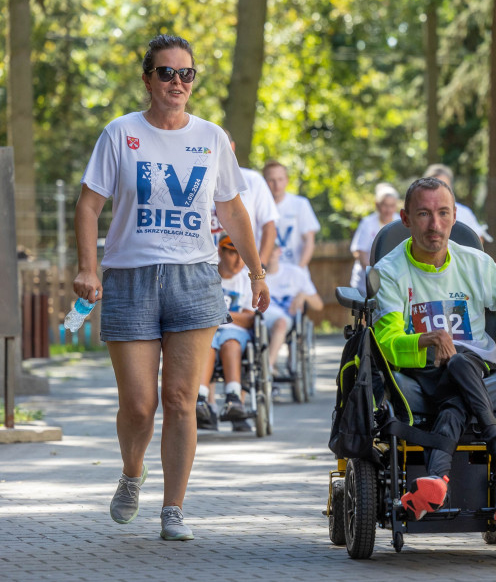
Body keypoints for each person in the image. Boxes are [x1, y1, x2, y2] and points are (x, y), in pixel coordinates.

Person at [72, 34, 269, 541]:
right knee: (139, 404)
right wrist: (88, 268)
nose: (177, 82)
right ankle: (131, 474)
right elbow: (89, 205)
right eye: (167, 73)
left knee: (181, 397)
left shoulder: (211, 137)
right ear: (147, 79)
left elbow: (231, 209)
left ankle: (173, 509)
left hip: (194, 279)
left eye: (186, 74)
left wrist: (256, 270)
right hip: (131, 277)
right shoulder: (120, 133)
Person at [373, 177, 496, 521]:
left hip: (474, 366)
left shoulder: (475, 263)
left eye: (443, 214)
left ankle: (437, 476)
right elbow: (386, 344)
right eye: (425, 214)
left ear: (455, 215)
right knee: (455, 392)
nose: (436, 225)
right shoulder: (388, 272)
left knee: (459, 366)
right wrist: (426, 340)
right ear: (405, 219)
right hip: (419, 371)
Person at [196, 236, 258, 432]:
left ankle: (233, 398)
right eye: (232, 253)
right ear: (221, 253)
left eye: (241, 254)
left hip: (236, 333)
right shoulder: (208, 276)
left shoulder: (247, 280)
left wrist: (219, 312)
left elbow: (250, 319)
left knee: (231, 343)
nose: (238, 260)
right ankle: (201, 398)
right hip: (209, 330)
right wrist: (233, 315)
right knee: (207, 346)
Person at [213, 129, 278, 265]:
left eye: (224, 146)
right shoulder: (194, 180)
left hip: (242, 269)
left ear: (232, 147)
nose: (219, 152)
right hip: (204, 269)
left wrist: (261, 266)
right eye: (214, 147)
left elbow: (269, 225)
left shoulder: (252, 180)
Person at [263, 243, 323, 371]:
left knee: (281, 323)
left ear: (279, 251)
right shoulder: (254, 276)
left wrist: (304, 296)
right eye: (266, 250)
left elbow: (319, 305)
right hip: (260, 317)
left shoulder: (295, 273)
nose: (270, 254)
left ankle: (268, 366)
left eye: (272, 250)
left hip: (284, 319)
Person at [263, 160, 320, 274]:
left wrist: (299, 270)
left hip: (294, 271)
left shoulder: (300, 204)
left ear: (287, 180)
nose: (276, 185)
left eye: (280, 179)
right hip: (266, 275)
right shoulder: (259, 206)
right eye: (271, 180)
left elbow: (309, 240)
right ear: (264, 182)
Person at [349, 183, 401, 295]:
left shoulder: (400, 223)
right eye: (385, 205)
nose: (388, 210)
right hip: (365, 283)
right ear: (377, 205)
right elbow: (359, 252)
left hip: (392, 282)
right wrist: (374, 274)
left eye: (392, 206)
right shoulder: (367, 223)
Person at [422, 163, 492, 244]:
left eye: (444, 186)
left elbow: (478, 241)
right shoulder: (414, 213)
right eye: (434, 186)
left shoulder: (464, 213)